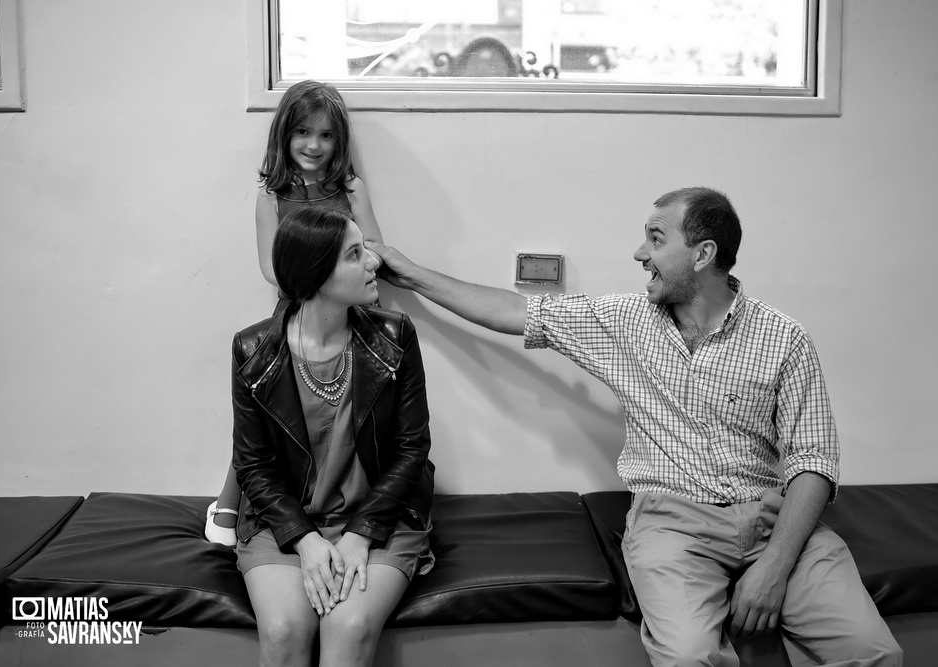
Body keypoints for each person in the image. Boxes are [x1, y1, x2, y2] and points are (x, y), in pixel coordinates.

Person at [366, 187, 902, 666]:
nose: (639, 253)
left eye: (655, 238)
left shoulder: (784, 339)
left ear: (702, 254)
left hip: (772, 519)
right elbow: (514, 312)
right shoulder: (624, 321)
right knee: (690, 656)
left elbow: (814, 463)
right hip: (673, 523)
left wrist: (776, 567)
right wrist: (408, 271)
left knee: (874, 654)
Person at [230, 206, 435, 667]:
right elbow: (254, 465)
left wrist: (361, 535)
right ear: (317, 274)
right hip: (285, 521)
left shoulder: (394, 335)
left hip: (381, 517)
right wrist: (304, 539)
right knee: (284, 631)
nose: (373, 263)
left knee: (348, 625)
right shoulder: (252, 350)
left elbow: (411, 450)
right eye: (355, 254)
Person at [206, 80, 385, 545]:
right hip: (296, 315)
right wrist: (316, 282)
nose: (314, 145)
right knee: (268, 410)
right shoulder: (271, 196)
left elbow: (375, 249)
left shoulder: (350, 188)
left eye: (326, 136)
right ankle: (229, 499)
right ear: (284, 134)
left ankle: (347, 498)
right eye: (304, 132)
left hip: (352, 317)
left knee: (353, 415)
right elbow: (271, 267)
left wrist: (344, 280)